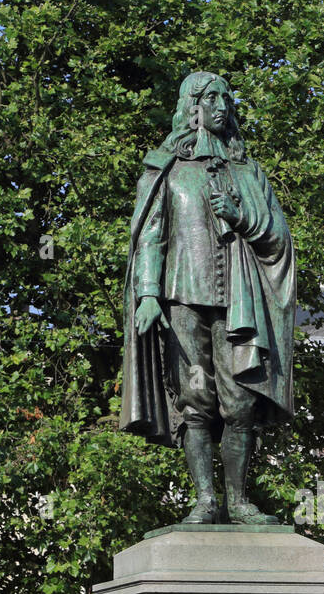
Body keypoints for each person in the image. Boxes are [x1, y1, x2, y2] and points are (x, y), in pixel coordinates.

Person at [121, 71, 295, 524]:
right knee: (195, 400)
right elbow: (151, 237)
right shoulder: (168, 170)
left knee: (240, 403)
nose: (222, 105)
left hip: (240, 302)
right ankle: (204, 499)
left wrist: (243, 218)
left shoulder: (249, 172)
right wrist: (147, 294)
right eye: (211, 97)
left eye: (226, 98)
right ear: (192, 107)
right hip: (183, 297)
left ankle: (238, 501)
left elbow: (279, 238)